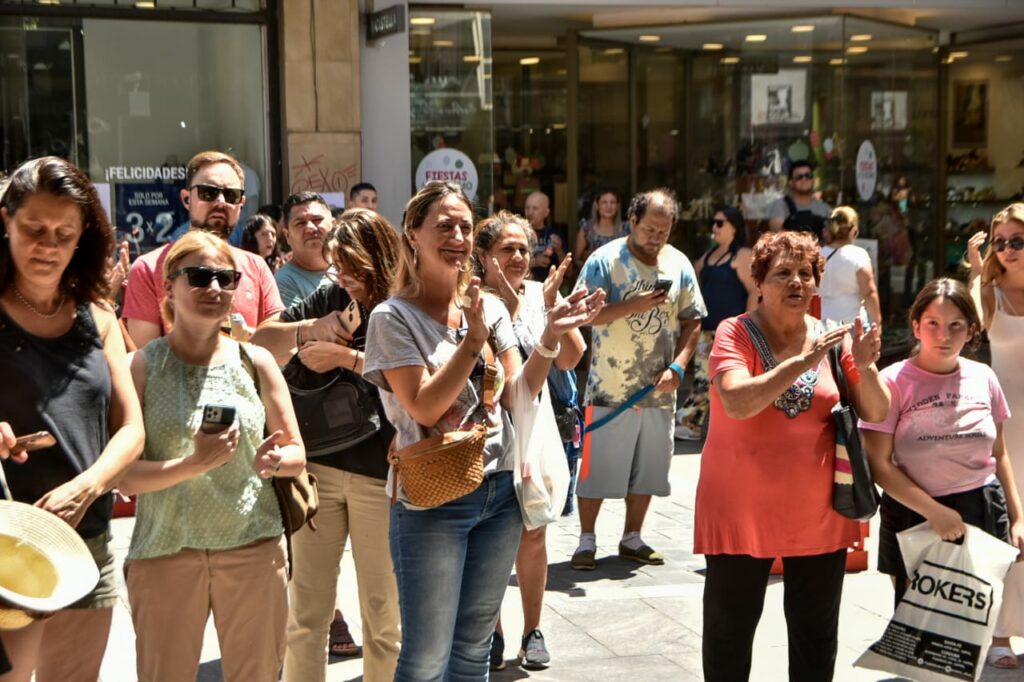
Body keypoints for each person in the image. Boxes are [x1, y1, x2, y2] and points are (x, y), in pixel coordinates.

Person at [362, 181, 604, 681]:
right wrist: (472, 343)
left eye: (465, 227)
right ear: (413, 234)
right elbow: (425, 407)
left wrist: (550, 339)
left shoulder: (490, 307)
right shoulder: (392, 317)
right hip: (432, 500)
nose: (457, 237)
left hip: (500, 492)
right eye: (443, 226)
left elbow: (519, 395)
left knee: (473, 650)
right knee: (427, 656)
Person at [694, 230, 889, 682]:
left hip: (819, 514)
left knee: (815, 642)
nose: (797, 282)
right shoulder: (734, 332)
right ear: (759, 281)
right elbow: (737, 402)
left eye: (806, 273)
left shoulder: (833, 338)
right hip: (738, 512)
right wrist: (803, 360)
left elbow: (877, 411)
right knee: (728, 640)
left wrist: (867, 363)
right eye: (783, 273)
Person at [116, 230, 305, 681]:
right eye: (200, 277)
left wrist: (276, 461)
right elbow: (123, 478)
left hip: (252, 549)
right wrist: (193, 464)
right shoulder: (141, 366)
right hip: (165, 553)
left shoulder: (255, 361)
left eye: (226, 278)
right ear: (169, 287)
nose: (215, 289)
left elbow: (298, 451)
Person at [0, 156, 145, 682]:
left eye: (65, 232)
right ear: (5, 221)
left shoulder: (99, 314)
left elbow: (131, 428)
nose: (49, 245)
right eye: (35, 229)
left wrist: (86, 488)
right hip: (6, 542)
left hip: (87, 540)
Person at [251, 208, 402, 681]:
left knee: (384, 619)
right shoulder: (331, 296)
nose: (348, 279)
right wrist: (310, 329)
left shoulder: (406, 304)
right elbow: (259, 342)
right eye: (340, 266)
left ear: (380, 258)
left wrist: (347, 357)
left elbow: (425, 386)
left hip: (382, 471)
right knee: (307, 615)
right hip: (317, 467)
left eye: (356, 268)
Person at [861, 277, 1024, 670]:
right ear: (915, 326)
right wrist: (934, 512)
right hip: (914, 513)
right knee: (920, 635)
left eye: (955, 325)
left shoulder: (983, 377)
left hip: (980, 509)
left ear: (971, 331)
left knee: (967, 636)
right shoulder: (893, 381)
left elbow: (998, 452)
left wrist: (1018, 517)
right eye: (932, 323)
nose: (944, 335)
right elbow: (879, 463)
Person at [473, 211, 586, 671]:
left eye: (524, 249)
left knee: (534, 531)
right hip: (491, 431)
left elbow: (571, 360)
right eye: (507, 249)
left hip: (539, 425)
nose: (518, 257)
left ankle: (532, 631)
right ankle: (492, 633)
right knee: (490, 535)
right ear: (484, 256)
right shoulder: (474, 301)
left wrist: (555, 315)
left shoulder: (542, 294)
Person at [571, 189, 706, 569]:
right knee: (596, 470)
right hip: (609, 387)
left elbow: (693, 321)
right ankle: (586, 539)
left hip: (659, 389)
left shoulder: (679, 264)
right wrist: (631, 305)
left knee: (648, 470)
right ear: (631, 221)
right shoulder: (605, 260)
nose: (656, 237)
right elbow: (581, 315)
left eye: (663, 230)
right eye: (649, 228)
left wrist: (679, 366)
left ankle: (633, 536)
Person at [121, 150, 284, 348]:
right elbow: (146, 361)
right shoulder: (148, 268)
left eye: (231, 195)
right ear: (186, 199)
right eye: (208, 193)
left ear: (241, 204)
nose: (220, 202)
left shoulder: (256, 266)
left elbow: (279, 344)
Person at [966, 208, 1024, 668]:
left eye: (1017, 241)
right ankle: (1001, 633)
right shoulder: (990, 290)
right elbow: (971, 324)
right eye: (1000, 241)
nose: (1006, 250)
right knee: (1007, 528)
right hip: (1006, 425)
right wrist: (973, 271)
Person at [675, 205, 757, 441]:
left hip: (731, 330)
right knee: (705, 377)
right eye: (713, 222)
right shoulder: (710, 255)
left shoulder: (741, 255)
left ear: (734, 227)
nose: (714, 227)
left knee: (724, 378)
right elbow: (692, 274)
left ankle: (691, 422)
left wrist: (747, 325)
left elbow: (753, 291)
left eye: (720, 223)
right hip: (707, 329)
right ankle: (691, 423)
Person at [819, 206, 882, 330]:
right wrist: (878, 323)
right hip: (852, 325)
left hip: (823, 324)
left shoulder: (818, 255)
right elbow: (869, 292)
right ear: (853, 231)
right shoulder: (858, 255)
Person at [274, 192, 333, 308]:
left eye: (317, 220)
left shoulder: (351, 268)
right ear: (287, 235)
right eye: (300, 223)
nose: (310, 228)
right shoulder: (284, 281)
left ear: (333, 225)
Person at [768, 159, 831, 242]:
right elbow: (778, 234)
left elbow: (832, 237)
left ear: (813, 180)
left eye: (808, 176)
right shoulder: (781, 205)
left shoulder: (824, 208)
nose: (804, 179)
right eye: (799, 177)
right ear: (790, 182)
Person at [574, 187, 629, 268]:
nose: (608, 206)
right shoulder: (587, 229)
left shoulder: (627, 229)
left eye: (612, 202)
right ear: (597, 205)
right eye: (604, 202)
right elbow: (576, 260)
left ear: (617, 206)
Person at [524, 191, 565, 282]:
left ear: (546, 212)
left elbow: (569, 273)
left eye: (535, 208)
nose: (530, 212)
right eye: (527, 208)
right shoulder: (519, 233)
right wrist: (534, 262)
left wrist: (559, 251)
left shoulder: (554, 236)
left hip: (549, 286)